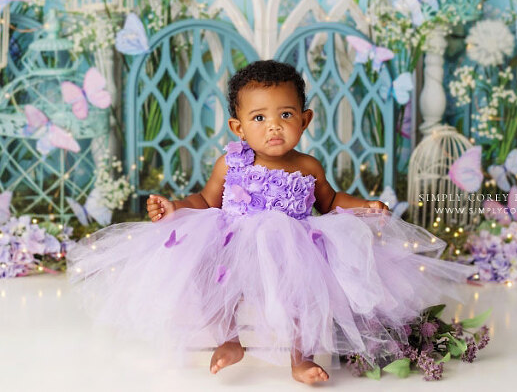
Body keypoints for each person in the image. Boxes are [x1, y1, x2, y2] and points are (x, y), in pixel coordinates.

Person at [67, 60, 477, 385]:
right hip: (232, 240)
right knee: (206, 276)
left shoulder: (307, 165)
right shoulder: (231, 161)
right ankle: (229, 341)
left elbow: (330, 201)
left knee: (302, 293)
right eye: (259, 118)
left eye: (285, 114)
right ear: (238, 127)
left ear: (305, 119)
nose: (274, 126)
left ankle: (301, 357)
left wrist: (363, 205)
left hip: (294, 245)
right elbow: (206, 200)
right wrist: (174, 207)